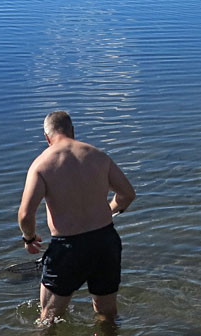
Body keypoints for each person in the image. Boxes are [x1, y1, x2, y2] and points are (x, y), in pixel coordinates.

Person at [17, 110, 137, 324]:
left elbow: (26, 215)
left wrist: (29, 238)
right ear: (72, 130)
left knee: (49, 318)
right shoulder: (98, 155)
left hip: (68, 247)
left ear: (47, 137)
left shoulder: (41, 165)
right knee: (107, 313)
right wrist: (106, 211)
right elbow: (127, 194)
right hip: (105, 241)